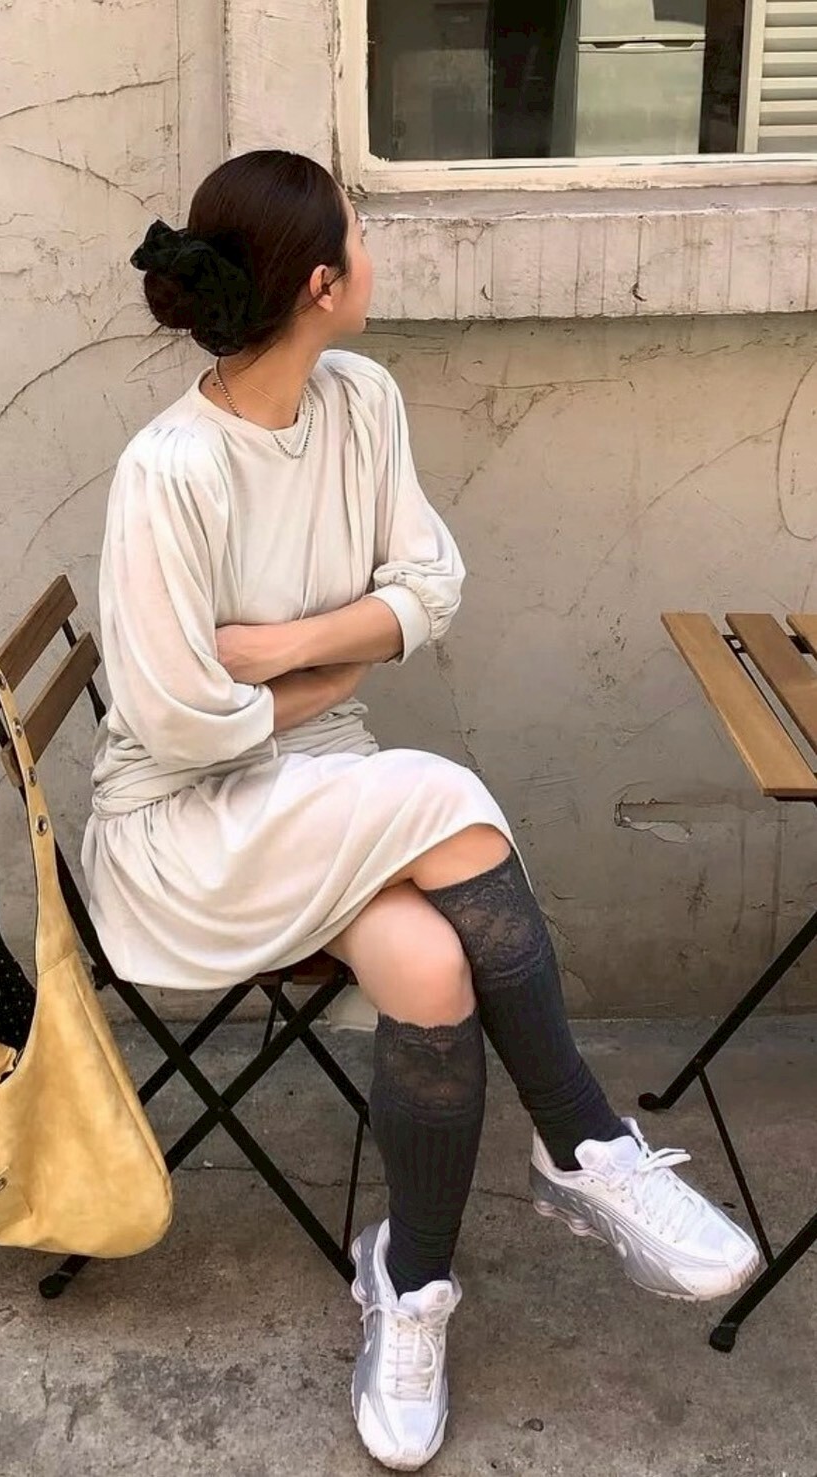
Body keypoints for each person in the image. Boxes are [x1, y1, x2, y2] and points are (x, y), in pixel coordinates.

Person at [81, 149, 759, 1472]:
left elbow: (430, 585)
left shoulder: (362, 403)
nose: (374, 255)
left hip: (317, 778)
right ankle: (585, 1141)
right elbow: (171, 720)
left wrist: (286, 652)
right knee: (445, 793)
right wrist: (334, 665)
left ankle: (411, 1280)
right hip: (181, 830)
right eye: (361, 235)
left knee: (434, 965)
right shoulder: (168, 470)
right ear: (320, 283)